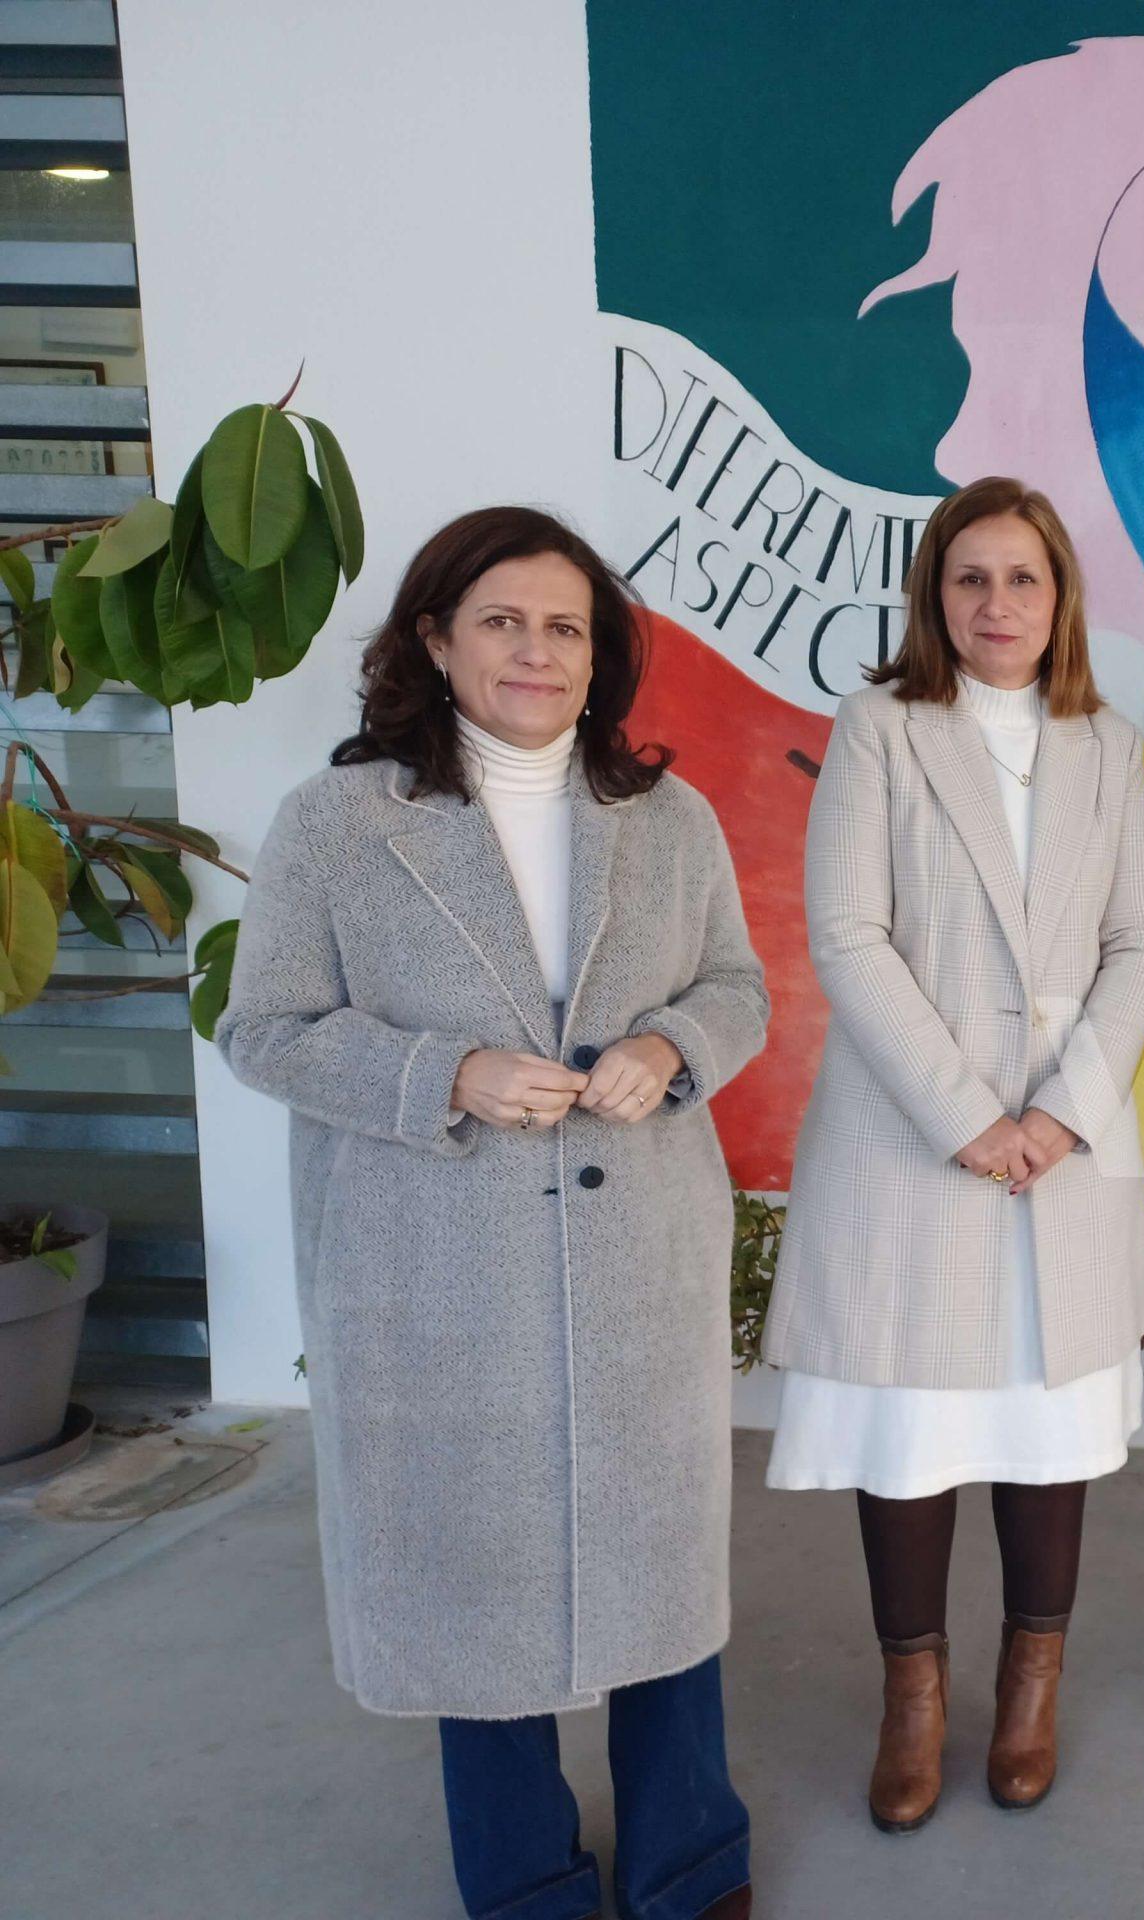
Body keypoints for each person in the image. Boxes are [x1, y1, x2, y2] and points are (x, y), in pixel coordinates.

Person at [216, 506, 770, 1920]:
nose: (538, 651)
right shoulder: (341, 824)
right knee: (476, 1583)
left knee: (657, 1571)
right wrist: (442, 1073)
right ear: (435, 639)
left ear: (600, 655)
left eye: (566, 627)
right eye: (504, 621)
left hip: (639, 1257)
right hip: (437, 1267)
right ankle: (527, 1882)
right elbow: (263, 1027)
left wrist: (673, 1046)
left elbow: (737, 990)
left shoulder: (669, 819)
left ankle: (688, 1862)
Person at [757, 477, 1144, 1833]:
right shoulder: (882, 727)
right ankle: (916, 1700)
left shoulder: (1108, 744)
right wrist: (969, 1118)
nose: (999, 603)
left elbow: (1140, 943)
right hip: (912, 1136)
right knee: (915, 1432)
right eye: (971, 577)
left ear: (1061, 600)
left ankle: (1031, 1689)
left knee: (1047, 1427)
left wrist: (1062, 1114)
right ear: (935, 597)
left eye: (1024, 578)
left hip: (1068, 1141)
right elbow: (846, 934)